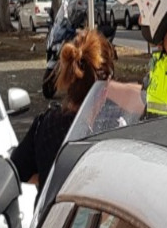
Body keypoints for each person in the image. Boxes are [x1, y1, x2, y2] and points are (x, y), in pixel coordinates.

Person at [10, 29, 116, 195]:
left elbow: (18, 168)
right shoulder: (101, 139)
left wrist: (49, 178)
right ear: (104, 90)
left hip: (47, 218)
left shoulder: (44, 125)